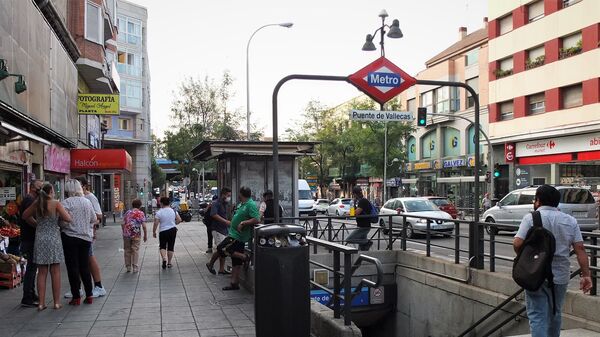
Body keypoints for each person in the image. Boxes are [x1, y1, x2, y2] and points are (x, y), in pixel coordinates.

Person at [513, 185, 592, 337]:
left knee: (537, 314)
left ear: (538, 200)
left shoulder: (531, 218)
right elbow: (580, 249)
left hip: (535, 274)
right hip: (560, 275)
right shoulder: (570, 221)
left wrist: (526, 258)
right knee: (555, 312)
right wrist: (586, 275)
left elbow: (517, 243)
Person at [22, 183, 71, 311]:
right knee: (55, 271)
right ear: (51, 192)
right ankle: (56, 302)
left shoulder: (37, 204)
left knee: (42, 272)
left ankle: (41, 303)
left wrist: (36, 224)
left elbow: (24, 216)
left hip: (40, 239)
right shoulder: (56, 204)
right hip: (54, 239)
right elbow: (68, 218)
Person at [206, 186, 260, 290]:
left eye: (238, 193)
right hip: (233, 233)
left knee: (222, 248)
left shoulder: (250, 204)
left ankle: (244, 257)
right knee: (235, 261)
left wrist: (243, 223)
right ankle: (234, 283)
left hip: (237, 235)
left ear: (241, 194)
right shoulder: (242, 204)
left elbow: (256, 219)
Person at [61, 179, 97, 305]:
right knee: (84, 266)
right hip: (86, 238)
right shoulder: (87, 202)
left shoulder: (65, 203)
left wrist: (62, 225)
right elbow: (94, 218)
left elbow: (63, 221)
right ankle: (89, 295)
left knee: (72, 267)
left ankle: (76, 296)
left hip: (70, 237)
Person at [73, 176, 106, 298]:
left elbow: (99, 216)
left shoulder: (90, 197)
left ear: (84, 186)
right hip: (78, 233)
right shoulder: (75, 198)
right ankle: (77, 287)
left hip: (87, 233)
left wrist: (89, 221)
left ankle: (98, 286)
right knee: (80, 260)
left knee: (89, 258)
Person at [18, 179, 43, 307]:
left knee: (33, 268)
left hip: (29, 238)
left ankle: (31, 293)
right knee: (32, 268)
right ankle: (27, 296)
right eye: (40, 187)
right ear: (33, 188)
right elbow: (28, 217)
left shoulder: (31, 199)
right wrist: (39, 226)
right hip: (30, 239)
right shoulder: (29, 200)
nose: (42, 189)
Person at [153, 196, 181, 269]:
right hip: (172, 230)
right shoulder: (174, 211)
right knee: (170, 246)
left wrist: (154, 232)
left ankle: (164, 259)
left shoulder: (159, 212)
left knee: (162, 246)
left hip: (163, 231)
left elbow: (156, 223)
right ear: (169, 203)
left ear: (161, 203)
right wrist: (174, 223)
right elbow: (179, 220)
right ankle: (169, 263)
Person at [210, 188, 232, 274]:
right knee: (221, 248)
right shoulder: (216, 203)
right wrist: (225, 221)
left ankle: (221, 269)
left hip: (224, 229)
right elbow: (214, 214)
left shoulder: (225, 204)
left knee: (223, 249)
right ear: (223, 194)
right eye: (228, 195)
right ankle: (210, 264)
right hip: (217, 229)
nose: (229, 197)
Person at [122, 199, 147, 273]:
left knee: (127, 250)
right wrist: (145, 235)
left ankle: (128, 267)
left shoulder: (127, 212)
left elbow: (123, 223)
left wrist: (124, 232)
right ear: (140, 205)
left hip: (126, 234)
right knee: (135, 249)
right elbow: (144, 226)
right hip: (136, 234)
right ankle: (135, 267)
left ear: (132, 205)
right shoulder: (140, 213)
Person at [346, 186, 373, 251]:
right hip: (363, 225)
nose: (353, 196)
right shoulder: (361, 201)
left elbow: (356, 213)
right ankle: (363, 256)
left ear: (355, 194)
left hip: (363, 226)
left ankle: (367, 242)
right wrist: (354, 203)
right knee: (362, 248)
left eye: (353, 194)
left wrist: (352, 205)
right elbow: (354, 213)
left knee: (349, 239)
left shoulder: (363, 201)